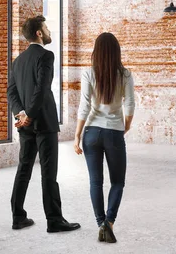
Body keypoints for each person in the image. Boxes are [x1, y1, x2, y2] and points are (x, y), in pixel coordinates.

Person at [7, 15, 80, 233]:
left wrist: (21, 114)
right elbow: (42, 87)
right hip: (44, 122)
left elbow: (11, 92)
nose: (49, 31)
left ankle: (18, 217)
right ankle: (54, 220)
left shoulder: (17, 61)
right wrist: (29, 113)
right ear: (39, 32)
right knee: (49, 173)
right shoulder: (47, 56)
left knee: (24, 170)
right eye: (46, 28)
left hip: (25, 125)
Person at [74, 32, 135, 244]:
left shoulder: (89, 73)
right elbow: (130, 104)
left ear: (96, 52)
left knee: (95, 182)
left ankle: (100, 223)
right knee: (118, 181)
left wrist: (77, 135)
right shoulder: (125, 74)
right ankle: (109, 223)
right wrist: (124, 126)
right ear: (116, 52)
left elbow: (84, 106)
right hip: (114, 133)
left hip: (91, 132)